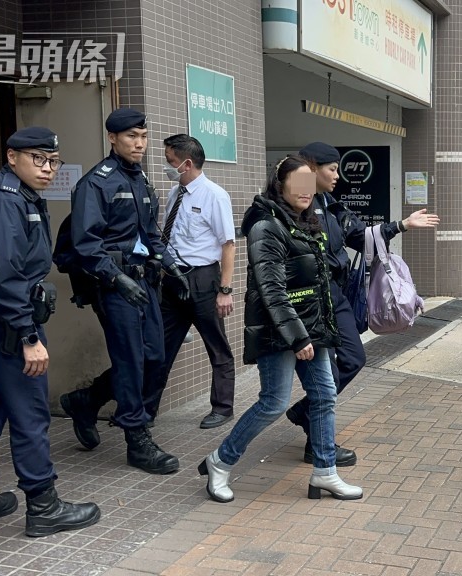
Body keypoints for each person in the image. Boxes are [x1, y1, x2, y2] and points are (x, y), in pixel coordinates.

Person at [0, 127, 100, 537]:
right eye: (39, 159)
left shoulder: (5, 191)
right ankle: (43, 504)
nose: (48, 168)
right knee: (30, 414)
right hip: (5, 324)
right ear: (12, 156)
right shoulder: (5, 201)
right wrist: (28, 337)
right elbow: (6, 275)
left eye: (53, 161)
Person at [198, 154, 362, 502]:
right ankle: (220, 462)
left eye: (308, 183)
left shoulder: (305, 219)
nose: (305, 191)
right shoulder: (265, 225)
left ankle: (325, 472)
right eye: (297, 183)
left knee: (324, 397)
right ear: (281, 184)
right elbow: (271, 289)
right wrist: (297, 335)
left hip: (311, 327)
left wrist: (316, 329)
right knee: (273, 403)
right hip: (281, 331)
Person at [285, 142, 440, 467]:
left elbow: (359, 234)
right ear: (311, 167)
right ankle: (317, 443)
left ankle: (306, 415)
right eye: (332, 169)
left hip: (336, 296)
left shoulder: (329, 203)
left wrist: (401, 225)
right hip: (310, 299)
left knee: (351, 359)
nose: (337, 175)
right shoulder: (294, 204)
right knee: (320, 372)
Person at [58, 108, 187, 474]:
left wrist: (170, 265)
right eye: (132, 136)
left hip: (144, 280)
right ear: (113, 138)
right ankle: (136, 437)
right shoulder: (95, 184)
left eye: (144, 137)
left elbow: (150, 236)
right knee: (131, 360)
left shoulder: (142, 181)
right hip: (113, 285)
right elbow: (86, 245)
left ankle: (85, 400)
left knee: (154, 357)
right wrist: (117, 279)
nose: (140, 144)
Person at [138, 134, 237, 429]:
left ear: (187, 163)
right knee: (160, 348)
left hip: (203, 278)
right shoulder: (174, 193)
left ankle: (222, 407)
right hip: (172, 278)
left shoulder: (214, 195)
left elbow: (228, 244)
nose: (167, 166)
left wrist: (225, 290)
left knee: (216, 346)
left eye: (171, 161)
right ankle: (145, 411)